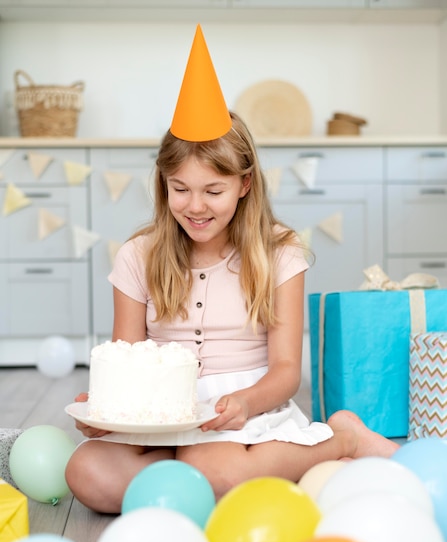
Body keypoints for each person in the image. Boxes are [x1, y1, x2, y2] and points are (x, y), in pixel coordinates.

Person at [65, 27, 399, 515]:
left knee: (215, 469)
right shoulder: (138, 255)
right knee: (87, 472)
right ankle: (205, 489)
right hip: (159, 415)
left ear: (244, 185)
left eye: (212, 191)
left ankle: (341, 440)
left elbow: (286, 371)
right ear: (163, 183)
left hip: (241, 406)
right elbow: (130, 357)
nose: (195, 206)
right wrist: (106, 408)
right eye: (180, 188)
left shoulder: (279, 251)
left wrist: (245, 401)